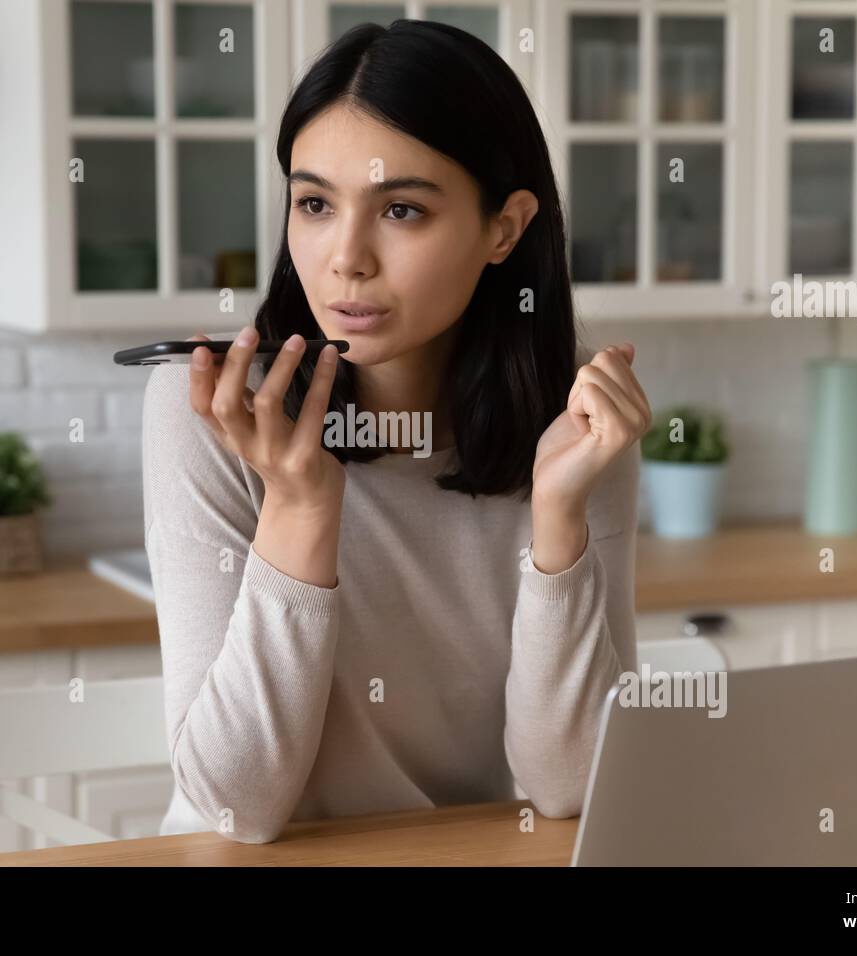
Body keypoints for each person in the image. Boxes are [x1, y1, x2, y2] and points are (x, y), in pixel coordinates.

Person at [142, 19, 650, 844]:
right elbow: (237, 806)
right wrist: (301, 508)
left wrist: (557, 520)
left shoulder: (577, 422)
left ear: (505, 228)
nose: (346, 258)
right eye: (314, 204)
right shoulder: (209, 408)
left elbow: (571, 788)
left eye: (401, 210)